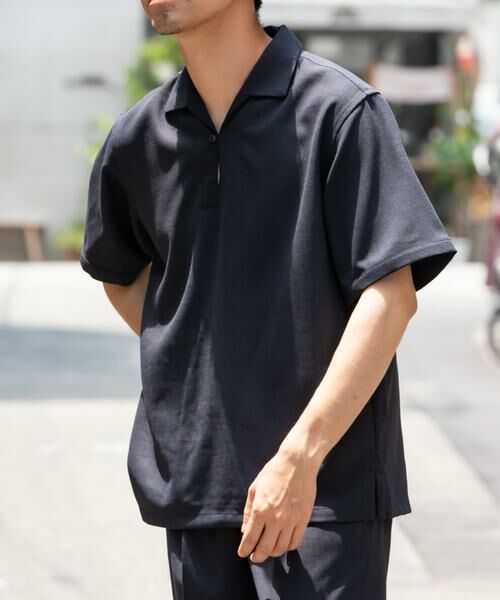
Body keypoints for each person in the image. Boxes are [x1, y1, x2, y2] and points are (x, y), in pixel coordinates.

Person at [79, 1, 457, 598]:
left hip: (325, 496)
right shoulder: (139, 137)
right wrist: (198, 361)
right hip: (198, 493)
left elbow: (391, 295)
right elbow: (120, 275)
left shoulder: (339, 111)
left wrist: (301, 457)